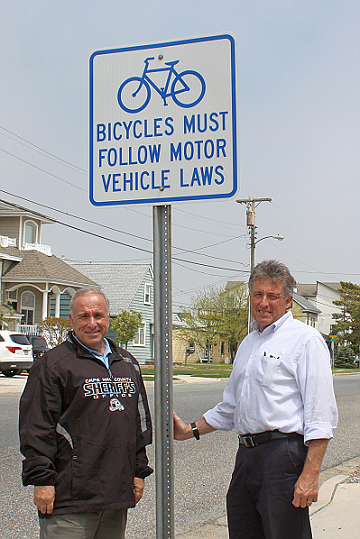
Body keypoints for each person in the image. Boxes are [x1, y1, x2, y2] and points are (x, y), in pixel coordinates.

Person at [174, 260, 338, 539]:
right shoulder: (249, 343)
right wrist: (191, 430)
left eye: (272, 296)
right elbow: (231, 407)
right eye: (257, 295)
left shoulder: (305, 340)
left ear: (288, 300)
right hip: (247, 456)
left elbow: (320, 415)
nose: (264, 302)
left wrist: (310, 474)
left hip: (283, 457)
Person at [19, 287, 153, 539]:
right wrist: (42, 481)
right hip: (70, 499)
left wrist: (138, 471)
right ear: (72, 320)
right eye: (84, 316)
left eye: (98, 315)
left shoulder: (127, 364)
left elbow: (138, 424)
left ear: (108, 318)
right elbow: (36, 427)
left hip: (115, 497)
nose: (92, 323)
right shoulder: (52, 365)